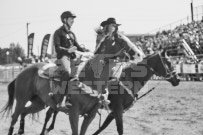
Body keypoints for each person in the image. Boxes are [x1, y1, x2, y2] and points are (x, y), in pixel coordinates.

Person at [94, 17, 145, 104]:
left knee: (112, 75)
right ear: (107, 26)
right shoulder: (105, 38)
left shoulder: (118, 36)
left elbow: (129, 44)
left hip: (118, 62)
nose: (113, 27)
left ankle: (127, 94)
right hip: (107, 62)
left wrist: (137, 52)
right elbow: (98, 50)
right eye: (111, 25)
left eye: (114, 25)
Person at [52, 11, 90, 109]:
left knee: (82, 72)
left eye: (73, 19)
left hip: (73, 57)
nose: (73, 20)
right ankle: (59, 99)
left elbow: (77, 46)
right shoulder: (58, 32)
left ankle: (70, 98)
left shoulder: (72, 33)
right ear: (64, 20)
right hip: (63, 57)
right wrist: (68, 50)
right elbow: (57, 48)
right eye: (71, 18)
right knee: (67, 72)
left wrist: (88, 52)